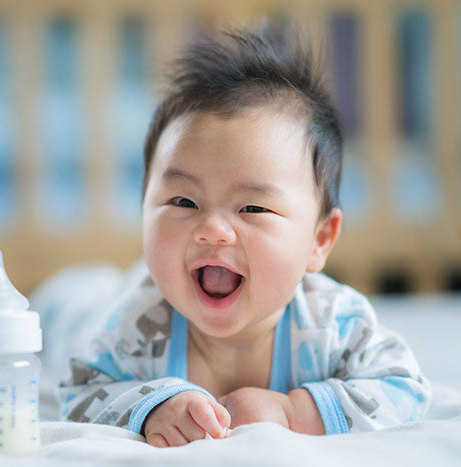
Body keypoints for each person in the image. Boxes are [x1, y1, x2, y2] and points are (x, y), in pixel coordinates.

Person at [58, 27, 431, 447]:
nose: (213, 230)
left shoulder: (331, 325)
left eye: (253, 208)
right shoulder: (139, 325)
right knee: (70, 306)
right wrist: (151, 407)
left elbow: (405, 388)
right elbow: (77, 393)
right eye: (183, 201)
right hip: (93, 303)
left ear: (320, 240)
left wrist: (294, 412)